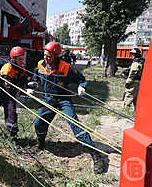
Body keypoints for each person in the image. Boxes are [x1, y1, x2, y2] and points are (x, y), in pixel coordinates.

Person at [31, 41, 108, 174]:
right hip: (48, 99)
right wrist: (32, 84)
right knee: (39, 123)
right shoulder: (40, 65)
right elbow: (36, 77)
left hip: (63, 100)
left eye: (48, 56)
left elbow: (81, 78)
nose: (46, 58)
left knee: (75, 126)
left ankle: (96, 155)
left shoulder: (66, 67)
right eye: (44, 55)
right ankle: (41, 143)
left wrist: (81, 86)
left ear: (55, 55)